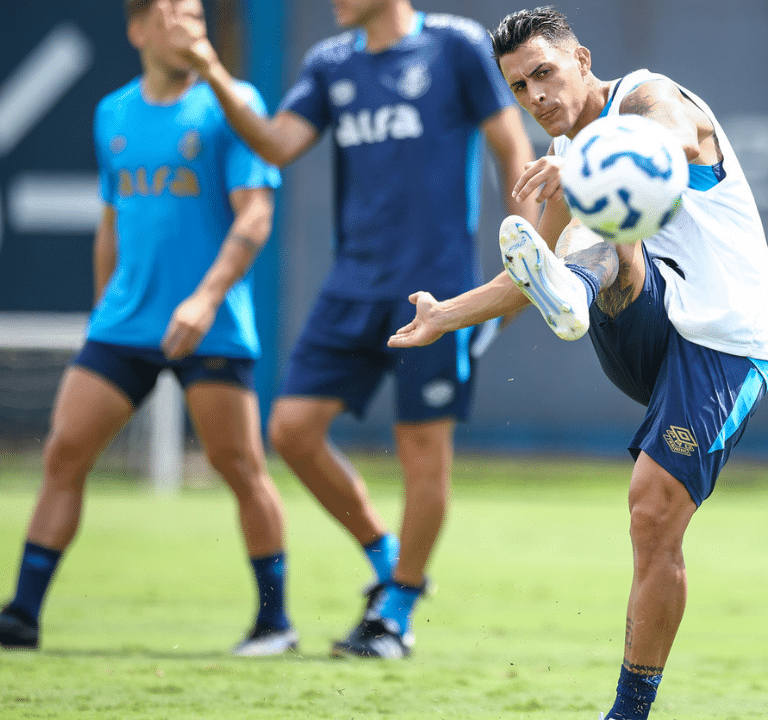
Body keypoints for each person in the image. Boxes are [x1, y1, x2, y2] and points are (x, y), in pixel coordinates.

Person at [389, 7, 768, 718]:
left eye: (544, 72)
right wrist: (442, 314)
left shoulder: (650, 99)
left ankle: (629, 711)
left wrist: (586, 166)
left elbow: (657, 144)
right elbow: (520, 276)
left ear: (581, 59)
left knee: (651, 514)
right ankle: (572, 288)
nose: (535, 96)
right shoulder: (576, 163)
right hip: (639, 319)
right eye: (518, 87)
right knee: (574, 228)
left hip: (725, 343)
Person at [163, 0, 539, 658]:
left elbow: (514, 150)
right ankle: (388, 557)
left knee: (422, 453)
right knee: (291, 431)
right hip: (351, 287)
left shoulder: (453, 45)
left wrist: (524, 263)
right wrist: (211, 70)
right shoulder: (330, 61)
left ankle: (394, 614)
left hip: (437, 293)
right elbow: (278, 144)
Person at [0, 0, 295, 656]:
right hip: (125, 325)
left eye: (195, 12)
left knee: (240, 466)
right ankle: (21, 614)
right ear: (137, 30)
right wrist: (105, 307)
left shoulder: (232, 101)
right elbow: (114, 220)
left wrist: (204, 299)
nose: (186, 23)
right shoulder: (112, 113)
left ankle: (275, 623)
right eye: (170, 13)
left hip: (209, 323)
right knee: (64, 452)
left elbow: (255, 218)